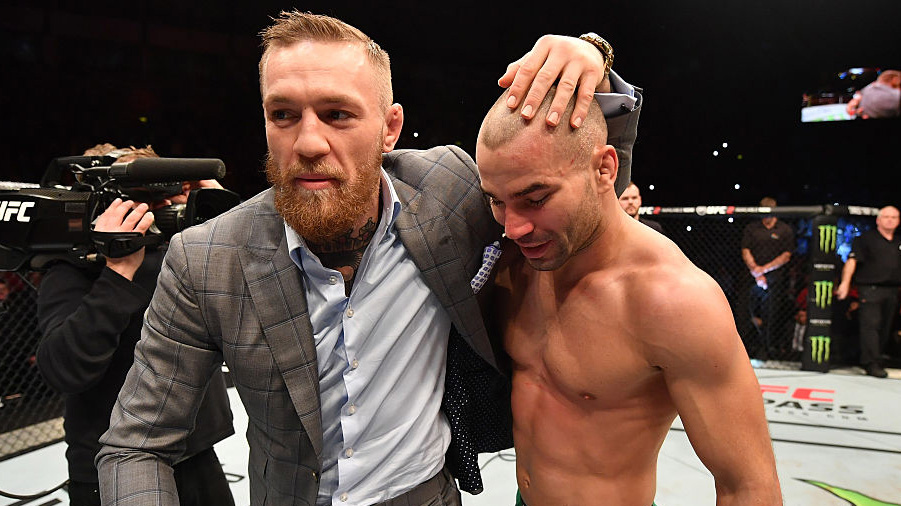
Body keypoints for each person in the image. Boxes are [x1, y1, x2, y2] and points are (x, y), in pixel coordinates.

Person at [96, 11, 642, 506]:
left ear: (390, 129)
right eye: (283, 114)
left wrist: (593, 57)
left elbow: (582, 179)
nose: (308, 142)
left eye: (337, 114)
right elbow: (135, 446)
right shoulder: (206, 259)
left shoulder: (450, 188)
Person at [475, 87, 782, 505]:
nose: (513, 227)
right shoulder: (514, 263)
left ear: (604, 170)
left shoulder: (673, 300)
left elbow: (748, 485)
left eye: (536, 199)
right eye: (497, 201)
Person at [36, 144, 236, 506]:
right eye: (149, 200)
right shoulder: (74, 268)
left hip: (192, 453)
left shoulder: (184, 251)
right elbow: (62, 369)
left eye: (172, 193)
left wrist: (229, 220)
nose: (164, 210)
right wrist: (119, 271)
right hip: (109, 462)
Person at [835, 206, 901, 378]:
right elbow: (852, 261)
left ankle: (877, 359)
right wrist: (845, 283)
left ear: (898, 221)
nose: (890, 220)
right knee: (871, 326)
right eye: (886, 216)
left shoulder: (898, 242)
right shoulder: (866, 239)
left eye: (894, 217)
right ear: (878, 220)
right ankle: (870, 363)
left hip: (893, 290)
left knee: (885, 327)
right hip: (870, 289)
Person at [741, 197, 795, 358]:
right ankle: (747, 347)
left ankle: (767, 348)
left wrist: (763, 270)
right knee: (747, 312)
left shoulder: (784, 229)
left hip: (775, 279)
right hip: (752, 277)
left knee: (771, 314)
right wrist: (756, 271)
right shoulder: (752, 228)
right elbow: (745, 250)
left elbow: (786, 255)